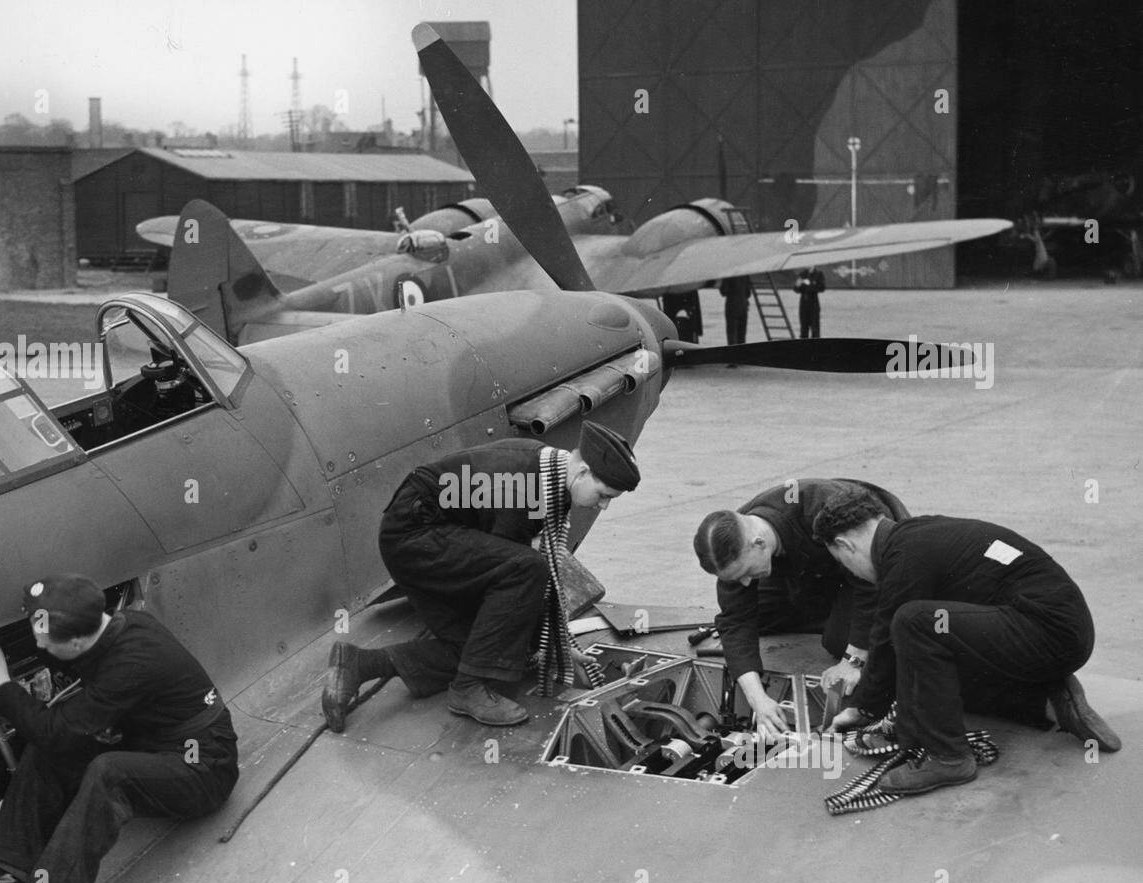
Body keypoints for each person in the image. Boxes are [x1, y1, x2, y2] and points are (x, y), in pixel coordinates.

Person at [0, 575, 239, 883]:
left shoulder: (133, 662)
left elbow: (54, 730)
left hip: (202, 765)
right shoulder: (109, 626)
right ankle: (8, 882)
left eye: (45, 639)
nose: (37, 643)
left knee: (108, 772)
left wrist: (2, 686)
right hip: (152, 744)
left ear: (78, 643)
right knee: (49, 753)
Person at [322, 421, 640, 730]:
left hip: (440, 537)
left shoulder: (545, 470)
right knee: (526, 573)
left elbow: (509, 588)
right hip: (416, 537)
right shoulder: (521, 487)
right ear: (583, 472)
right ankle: (467, 689)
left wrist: (559, 650)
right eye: (603, 494)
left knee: (480, 645)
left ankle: (359, 664)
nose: (605, 506)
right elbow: (519, 578)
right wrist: (545, 645)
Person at [813, 489, 1120, 795]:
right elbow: (917, 662)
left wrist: (864, 709)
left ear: (844, 545)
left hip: (1049, 635)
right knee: (935, 663)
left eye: (842, 562)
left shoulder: (905, 556)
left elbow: (886, 640)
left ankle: (948, 757)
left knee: (913, 621)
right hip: (1059, 631)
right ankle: (1049, 696)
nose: (852, 573)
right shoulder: (919, 534)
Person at [693, 479, 909, 738]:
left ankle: (839, 616)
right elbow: (736, 621)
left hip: (868, 563)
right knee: (758, 615)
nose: (746, 582)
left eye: (747, 572)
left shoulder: (822, 507)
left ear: (758, 543)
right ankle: (829, 606)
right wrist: (759, 701)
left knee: (839, 640)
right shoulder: (731, 544)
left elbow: (868, 582)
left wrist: (853, 660)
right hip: (812, 568)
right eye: (738, 578)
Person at [718, 277, 751, 345]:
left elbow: (723, 291)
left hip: (732, 306)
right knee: (742, 337)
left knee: (732, 336)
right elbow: (748, 293)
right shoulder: (745, 274)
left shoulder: (729, 275)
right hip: (743, 306)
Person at [793, 268, 825, 339]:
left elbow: (822, 288)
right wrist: (798, 284)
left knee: (815, 329)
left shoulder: (818, 274)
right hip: (804, 304)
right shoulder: (803, 274)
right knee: (804, 328)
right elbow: (796, 289)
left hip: (814, 304)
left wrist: (809, 284)